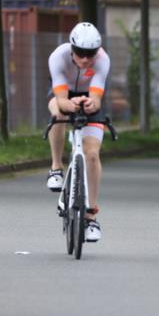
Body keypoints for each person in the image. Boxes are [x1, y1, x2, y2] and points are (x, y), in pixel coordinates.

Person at [45, 22, 111, 243]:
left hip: (89, 96)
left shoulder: (103, 60)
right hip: (64, 92)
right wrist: (68, 103)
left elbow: (97, 96)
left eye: (90, 54)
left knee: (92, 155)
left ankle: (91, 216)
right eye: (80, 53)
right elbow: (61, 98)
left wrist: (92, 104)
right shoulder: (58, 57)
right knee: (57, 111)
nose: (84, 59)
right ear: (72, 49)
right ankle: (56, 167)